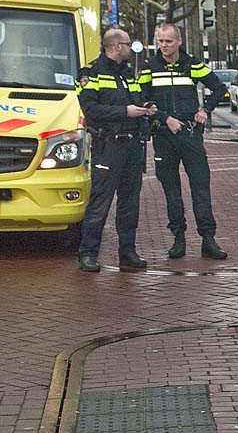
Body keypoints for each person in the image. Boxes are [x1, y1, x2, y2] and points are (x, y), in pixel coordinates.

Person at [138, 23, 228, 260]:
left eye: (168, 41)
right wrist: (164, 118)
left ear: (179, 41)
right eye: (160, 41)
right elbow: (141, 99)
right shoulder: (150, 67)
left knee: (200, 187)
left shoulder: (192, 64)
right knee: (171, 190)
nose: (164, 46)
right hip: (164, 136)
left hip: (189, 134)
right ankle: (178, 239)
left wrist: (205, 109)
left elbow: (219, 88)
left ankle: (208, 239)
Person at [77, 29, 156, 272]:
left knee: (130, 201)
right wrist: (126, 112)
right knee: (101, 200)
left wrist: (145, 108)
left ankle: (127, 251)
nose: (131, 48)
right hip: (108, 145)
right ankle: (88, 253)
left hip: (132, 145)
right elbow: (91, 110)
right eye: (128, 44)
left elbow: (136, 98)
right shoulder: (90, 74)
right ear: (116, 47)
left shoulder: (126, 74)